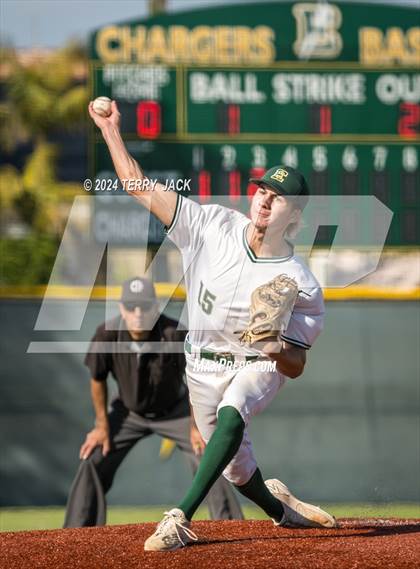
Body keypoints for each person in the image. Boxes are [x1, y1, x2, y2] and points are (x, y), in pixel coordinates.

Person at [88, 100, 337, 551]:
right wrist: (110, 130)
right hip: (200, 367)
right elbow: (137, 186)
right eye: (262, 190)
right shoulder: (211, 225)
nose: (265, 199)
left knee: (234, 410)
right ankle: (281, 508)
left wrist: (274, 347)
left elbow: (296, 365)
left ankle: (180, 518)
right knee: (236, 469)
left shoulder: (301, 282)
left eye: (278, 196)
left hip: (256, 363)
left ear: (295, 217)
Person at [63, 276, 243, 527]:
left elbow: (196, 381)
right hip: (128, 413)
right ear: (122, 308)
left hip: (177, 411)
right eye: (131, 306)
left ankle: (230, 527)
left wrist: (196, 426)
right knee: (93, 456)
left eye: (145, 306)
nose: (138, 313)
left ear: (155, 307)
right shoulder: (107, 335)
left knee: (210, 452)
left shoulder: (175, 333)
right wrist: (101, 426)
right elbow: (97, 379)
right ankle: (77, 533)